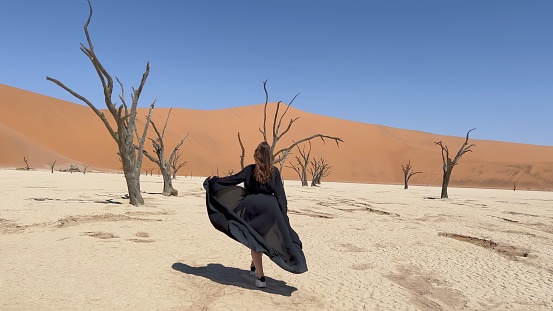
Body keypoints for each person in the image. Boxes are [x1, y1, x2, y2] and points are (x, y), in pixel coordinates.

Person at [203, 141, 307, 288]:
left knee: (255, 240)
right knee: (261, 238)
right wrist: (283, 217)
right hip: (271, 209)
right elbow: (281, 197)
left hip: (252, 208)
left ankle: (261, 278)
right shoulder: (275, 172)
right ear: (270, 157)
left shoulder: (249, 170)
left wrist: (214, 181)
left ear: (256, 156)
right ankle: (254, 267)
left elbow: (231, 180)